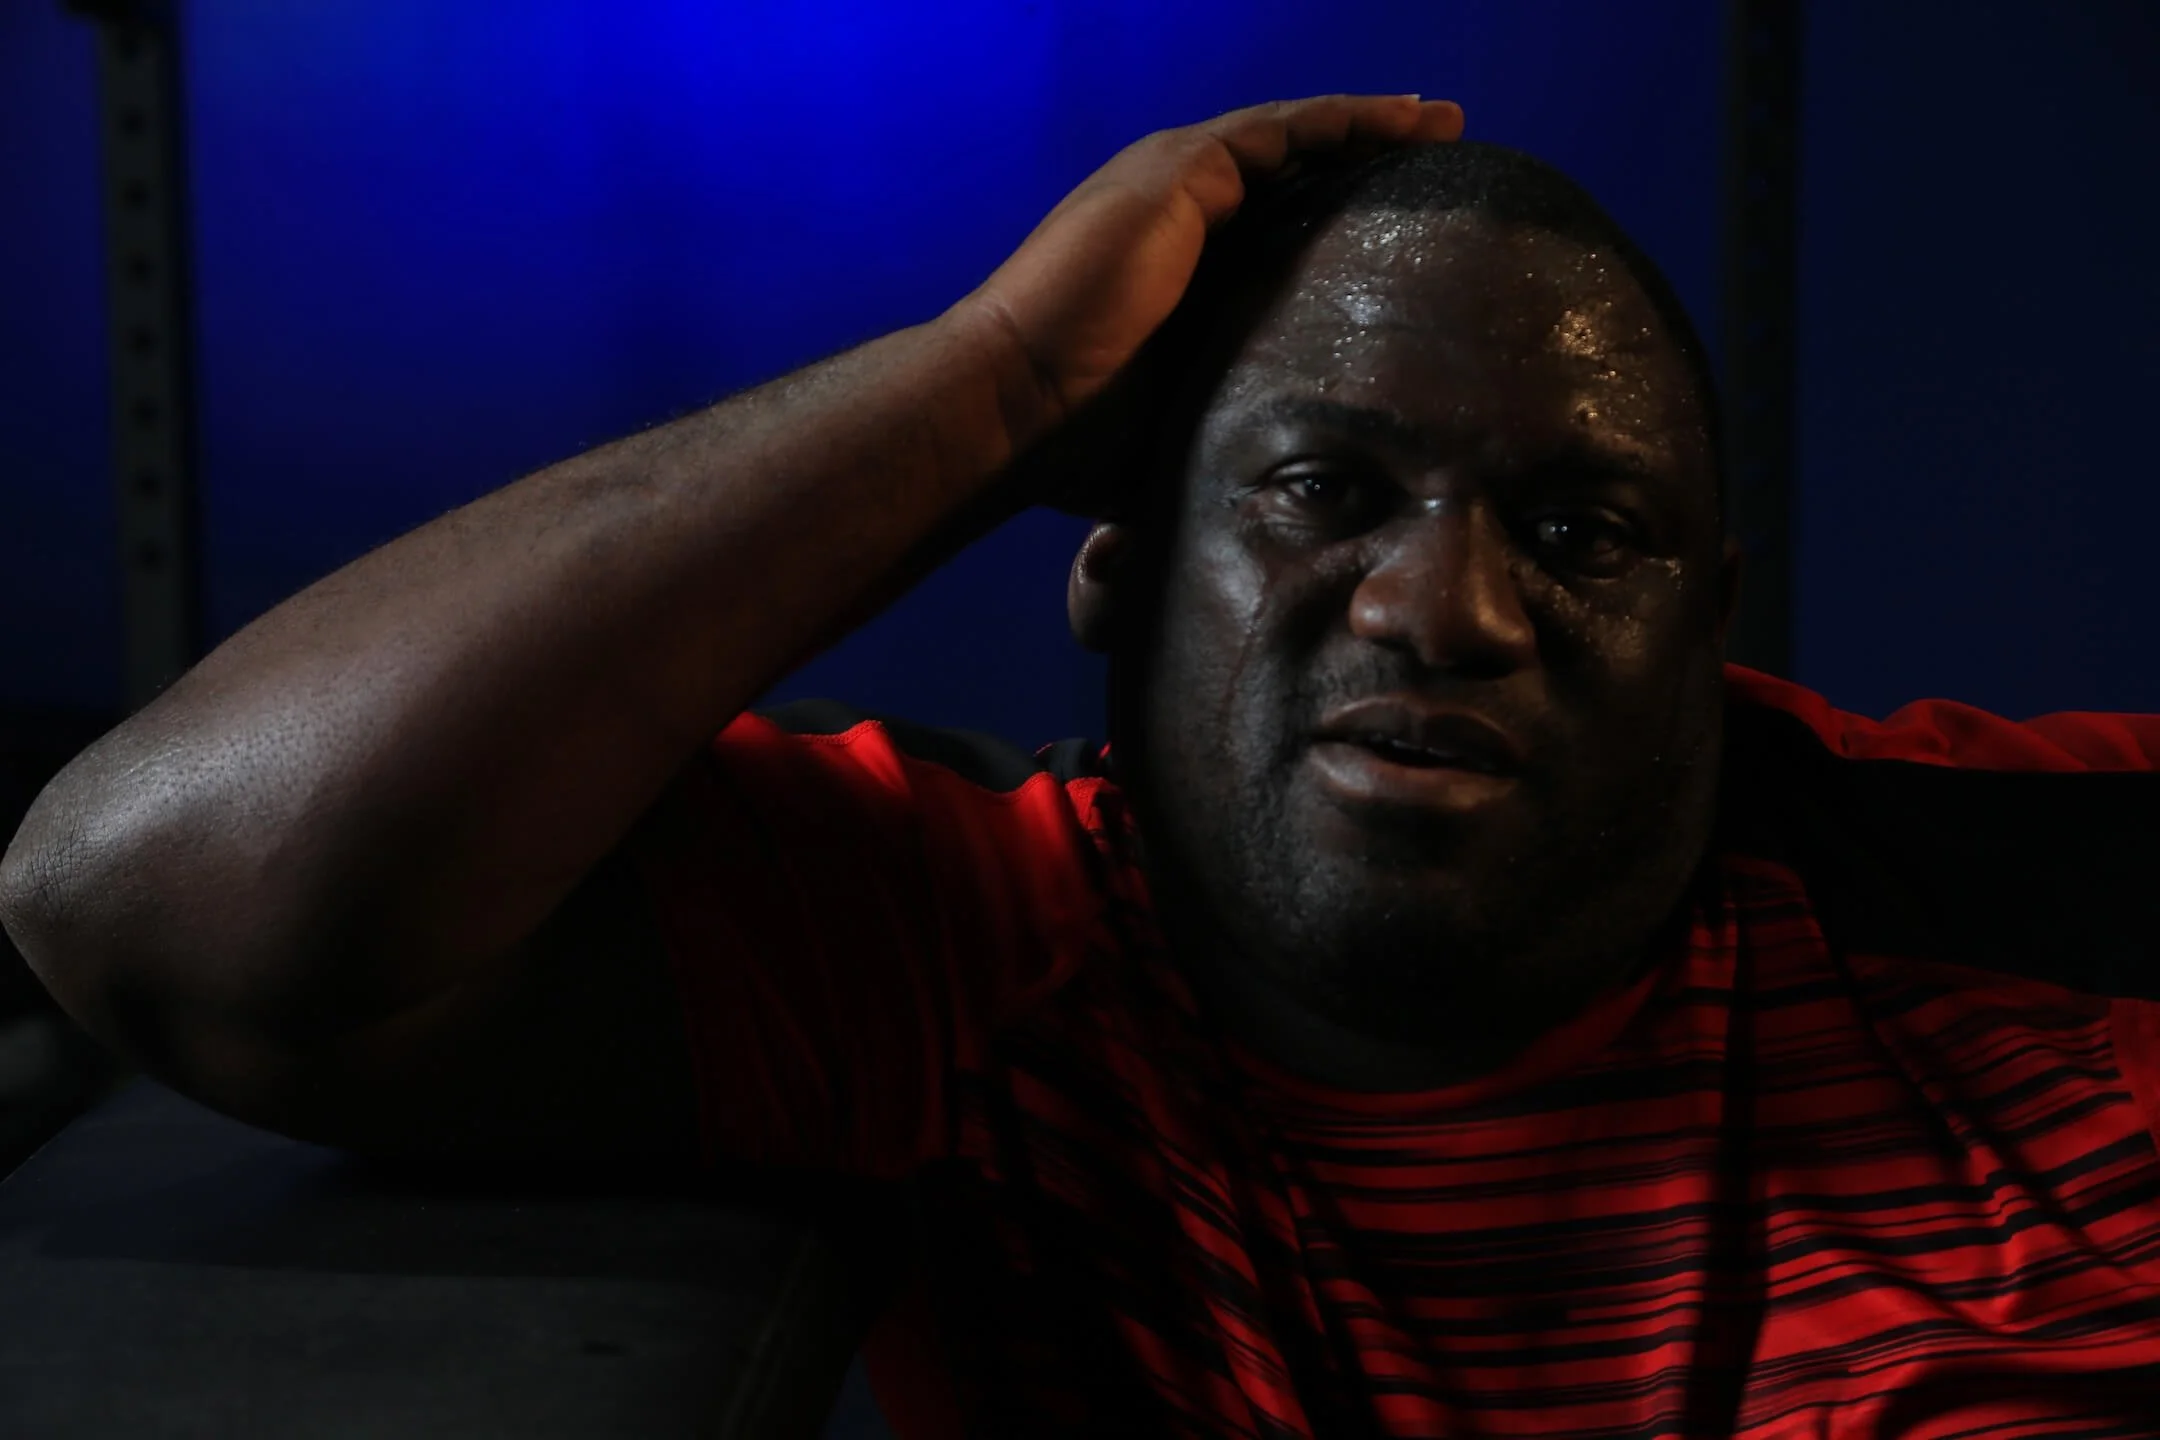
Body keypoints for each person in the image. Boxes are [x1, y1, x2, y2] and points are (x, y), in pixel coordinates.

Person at [6, 93, 2160, 1437]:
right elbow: (156, 898)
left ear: (1712, 630)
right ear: (1111, 588)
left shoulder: (2030, 895)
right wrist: (998, 382)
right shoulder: (974, 943)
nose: (1446, 610)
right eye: (1323, 491)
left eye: (1585, 534)